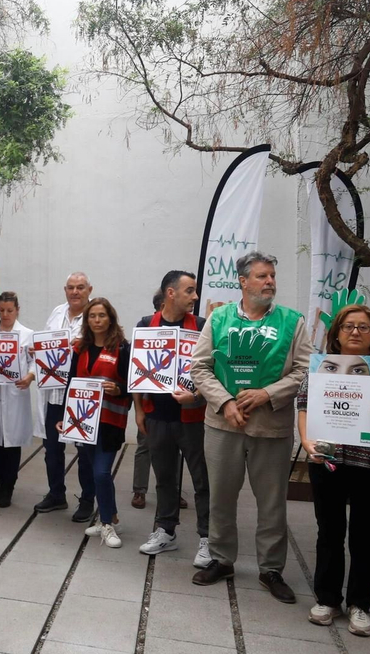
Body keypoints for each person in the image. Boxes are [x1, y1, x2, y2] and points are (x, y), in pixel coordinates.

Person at [189, 252, 311, 603]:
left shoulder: (293, 322)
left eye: (272, 276)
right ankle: (222, 559)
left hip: (270, 426)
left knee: (272, 503)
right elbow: (200, 367)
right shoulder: (219, 318)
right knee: (221, 497)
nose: (269, 282)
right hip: (223, 424)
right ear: (243, 282)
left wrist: (267, 393)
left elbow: (304, 370)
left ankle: (271, 569)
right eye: (261, 276)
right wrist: (225, 402)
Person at [297, 305, 370, 636]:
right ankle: (328, 599)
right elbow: (304, 407)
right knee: (329, 531)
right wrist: (307, 443)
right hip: (328, 460)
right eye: (348, 326)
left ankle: (359, 604)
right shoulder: (320, 370)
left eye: (364, 327)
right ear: (336, 333)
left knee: (366, 535)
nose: (355, 332)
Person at [136, 272, 213, 567]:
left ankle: (207, 537)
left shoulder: (203, 327)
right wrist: (140, 412)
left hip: (193, 417)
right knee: (164, 478)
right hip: (157, 417)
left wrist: (197, 396)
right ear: (171, 293)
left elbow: (212, 369)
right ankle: (166, 531)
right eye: (189, 291)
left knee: (202, 480)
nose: (195, 297)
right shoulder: (146, 325)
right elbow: (137, 372)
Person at [67, 298, 131, 548]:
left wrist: (118, 389)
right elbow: (71, 383)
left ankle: (107, 523)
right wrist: (65, 418)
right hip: (84, 422)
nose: (96, 320)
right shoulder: (80, 348)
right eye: (92, 316)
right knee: (95, 473)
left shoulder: (122, 348)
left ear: (110, 318)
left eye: (101, 315)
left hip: (110, 421)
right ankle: (112, 515)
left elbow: (131, 386)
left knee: (102, 472)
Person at [35, 272, 93, 518]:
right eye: (71, 287)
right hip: (55, 393)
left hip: (81, 394)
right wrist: (35, 350)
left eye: (80, 287)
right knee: (52, 449)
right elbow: (47, 344)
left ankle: (88, 500)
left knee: (84, 450)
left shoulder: (95, 315)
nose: (75, 292)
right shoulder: (57, 312)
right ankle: (56, 494)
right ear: (65, 289)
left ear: (89, 289)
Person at [0, 291, 36, 508]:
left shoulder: (27, 334)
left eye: (9, 310)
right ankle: (1, 485)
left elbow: (34, 362)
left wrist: (30, 377)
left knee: (12, 443)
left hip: (15, 393)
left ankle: (8, 488)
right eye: (1, 310)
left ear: (17, 310)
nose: (5, 314)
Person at [132, 289, 163, 511]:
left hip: (176, 398)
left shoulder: (189, 326)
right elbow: (136, 366)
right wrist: (138, 407)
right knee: (144, 445)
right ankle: (139, 490)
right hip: (148, 396)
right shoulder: (145, 326)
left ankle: (174, 490)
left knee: (175, 449)